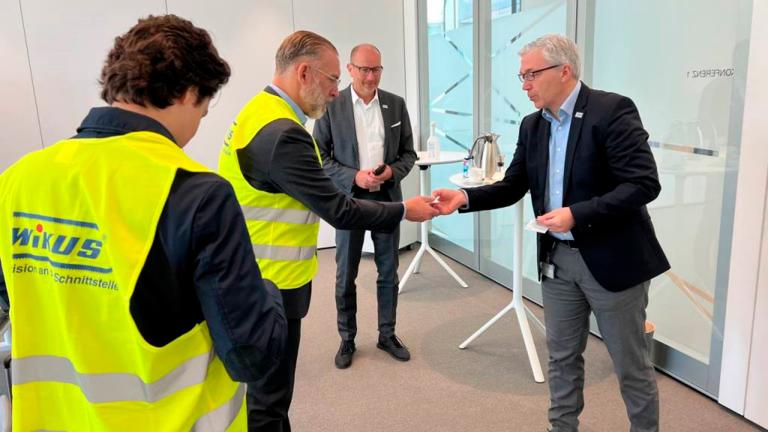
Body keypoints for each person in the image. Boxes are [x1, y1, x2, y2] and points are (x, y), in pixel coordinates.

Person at [0, 15, 286, 431]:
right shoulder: (196, 193)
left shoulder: (17, 180)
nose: (193, 131)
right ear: (190, 92)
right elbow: (251, 354)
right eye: (203, 113)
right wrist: (268, 292)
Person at [431, 34, 670, 432]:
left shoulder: (611, 110)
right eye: (521, 76)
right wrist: (463, 198)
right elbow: (513, 186)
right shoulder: (532, 126)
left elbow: (644, 183)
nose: (524, 84)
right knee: (561, 358)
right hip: (558, 263)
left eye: (530, 75)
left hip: (614, 262)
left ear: (565, 70)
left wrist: (577, 214)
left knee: (630, 365)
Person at [218, 31, 437, 431]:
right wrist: (406, 209)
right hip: (272, 285)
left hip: (257, 276)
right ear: (304, 73)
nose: (338, 91)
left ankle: (386, 334)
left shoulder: (259, 112)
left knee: (267, 398)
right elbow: (338, 208)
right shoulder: (285, 133)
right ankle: (347, 337)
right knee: (270, 402)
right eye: (334, 79)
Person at [313, 44, 416, 369]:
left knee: (389, 272)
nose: (371, 76)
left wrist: (390, 172)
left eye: (376, 70)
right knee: (346, 275)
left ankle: (387, 334)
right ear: (350, 69)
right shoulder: (332, 105)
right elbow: (320, 156)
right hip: (348, 201)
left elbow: (408, 154)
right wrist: (354, 177)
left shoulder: (396, 105)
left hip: (386, 198)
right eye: (364, 70)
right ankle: (347, 339)